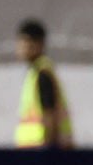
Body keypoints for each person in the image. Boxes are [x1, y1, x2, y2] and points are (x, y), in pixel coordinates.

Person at [13, 20, 73, 148]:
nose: (20, 47)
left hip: (39, 149)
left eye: (25, 42)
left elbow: (49, 114)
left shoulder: (42, 74)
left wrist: (47, 151)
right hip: (34, 150)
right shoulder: (35, 73)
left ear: (38, 44)